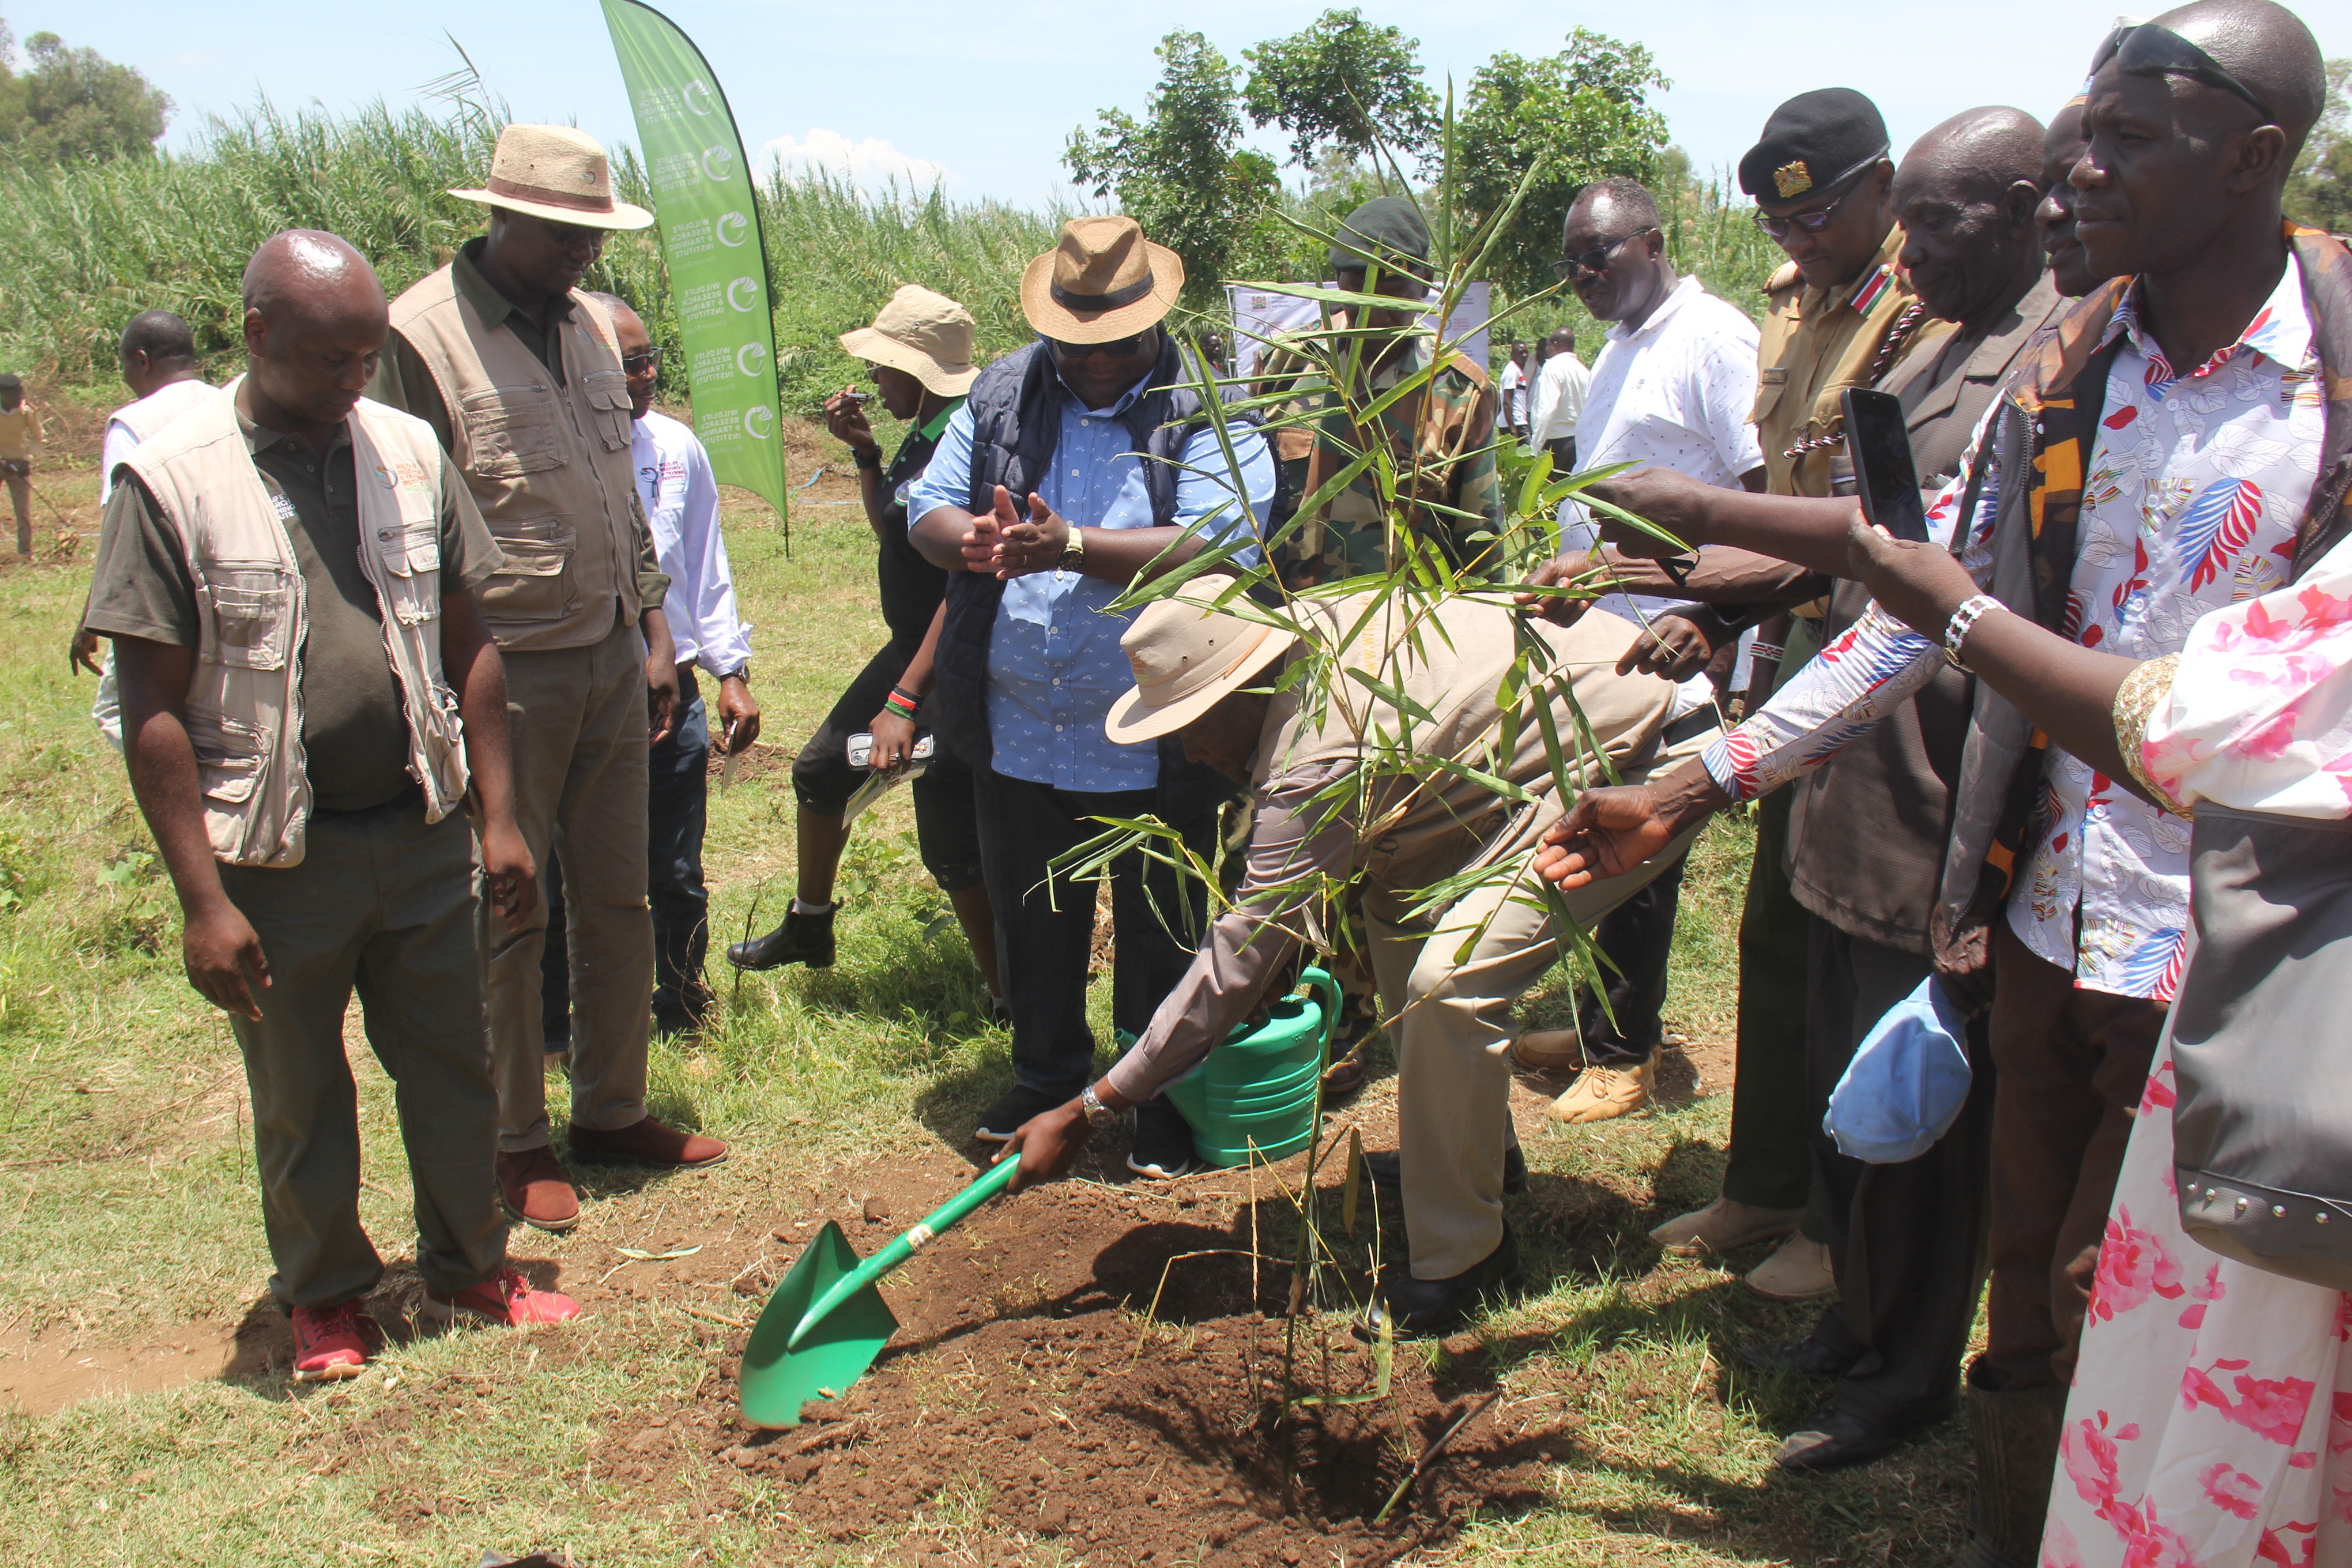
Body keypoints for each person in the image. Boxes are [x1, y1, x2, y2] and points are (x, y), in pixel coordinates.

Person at [1539, 4, 2330, 1553]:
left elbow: (2105, 682)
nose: (2074, 177)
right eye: (2073, 138)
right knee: (2031, 1307)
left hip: (2244, 970)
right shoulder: (2071, 369)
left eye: (2123, 143)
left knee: (2167, 1332)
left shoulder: (2331, 398)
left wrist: (1922, 602)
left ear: (2249, 161)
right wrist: (1701, 781)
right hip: (2042, 927)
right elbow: (1902, 603)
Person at [87, 230, 583, 1382]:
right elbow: (150, 702)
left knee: (454, 1063)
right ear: (258, 334)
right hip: (273, 853)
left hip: (415, 827)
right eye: (328, 358)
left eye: (368, 356)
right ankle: (325, 1298)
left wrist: (497, 816)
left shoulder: (406, 449)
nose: (355, 379)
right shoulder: (170, 476)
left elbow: (471, 641)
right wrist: (202, 900)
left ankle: (470, 1266)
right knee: (302, 1088)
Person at [996, 575, 1718, 1330]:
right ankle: (1474, 1165)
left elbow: (1239, 956)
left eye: (1191, 722)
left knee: (1452, 979)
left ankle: (1464, 1260)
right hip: (1525, 758)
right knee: (1396, 913)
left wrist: (1095, 1102)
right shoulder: (1299, 643)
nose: (1189, 748)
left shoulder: (1319, 745)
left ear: (1247, 685)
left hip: (1644, 755)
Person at [369, 123, 722, 1235]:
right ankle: (517, 1134)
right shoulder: (418, 336)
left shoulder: (586, 328)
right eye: (566, 232)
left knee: (618, 895)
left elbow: (624, 498)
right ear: (503, 216)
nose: (584, 252)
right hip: (501, 668)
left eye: (595, 234)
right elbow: (399, 525)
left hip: (615, 652)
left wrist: (655, 636)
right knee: (509, 905)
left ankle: (613, 1107)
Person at [905, 216, 1275, 1176]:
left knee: (1162, 917)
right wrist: (970, 542)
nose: (1098, 361)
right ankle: (1045, 1072)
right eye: (1078, 344)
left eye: (1116, 342)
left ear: (1151, 320)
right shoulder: (999, 393)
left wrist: (1072, 546)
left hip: (1160, 723)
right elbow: (926, 505)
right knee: (1036, 910)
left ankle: (1155, 1096)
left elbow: (1218, 536)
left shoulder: (1209, 401)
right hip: (1022, 719)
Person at [1654, 86, 1938, 1307]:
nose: (1800, 239)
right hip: (1796, 654)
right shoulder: (1795, 312)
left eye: (1822, 213)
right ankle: (1762, 1179)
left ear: (1884, 189)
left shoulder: (1926, 316)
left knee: (1848, 945)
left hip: (1886, 664)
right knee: (1774, 929)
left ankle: (1837, 1214)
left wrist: (1688, 568)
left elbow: (1877, 532)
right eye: (1783, 226)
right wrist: (1716, 611)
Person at [1514, 174, 1768, 1126]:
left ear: (1656, 243)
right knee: (1603, 823)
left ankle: (1628, 1051)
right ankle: (1597, 1027)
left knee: (1643, 847)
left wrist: (1718, 624)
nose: (1584, 273)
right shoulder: (1623, 345)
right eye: (1572, 259)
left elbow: (1766, 498)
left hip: (1681, 639)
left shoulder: (1714, 341)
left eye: (1602, 254)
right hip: (1614, 638)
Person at [727, 285, 999, 1007]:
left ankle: (1014, 998)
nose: (875, 381)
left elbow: (963, 586)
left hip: (947, 654)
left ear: (921, 371)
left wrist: (907, 697)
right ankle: (811, 925)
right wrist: (867, 454)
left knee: (951, 837)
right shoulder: (924, 432)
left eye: (885, 367)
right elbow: (894, 527)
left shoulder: (964, 441)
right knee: (824, 775)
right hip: (911, 645)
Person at [540, 295, 759, 1042]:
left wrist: (730, 669)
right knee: (566, 872)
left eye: (648, 356)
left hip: (675, 689)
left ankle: (683, 1002)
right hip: (584, 688)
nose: (648, 374)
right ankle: (566, 1020)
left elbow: (704, 564)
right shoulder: (556, 451)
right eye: (628, 363)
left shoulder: (675, 447)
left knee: (672, 864)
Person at [1262, 196, 1501, 586]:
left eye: (1391, 299)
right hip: (1291, 618)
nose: (1373, 316)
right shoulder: (1288, 364)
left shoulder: (1459, 390)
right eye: (1358, 296)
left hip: (1406, 627)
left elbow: (1481, 540)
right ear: (1338, 286)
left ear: (1423, 288)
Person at [74, 311, 223, 744]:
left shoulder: (134, 423)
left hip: (162, 589)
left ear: (140, 360)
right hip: (234, 576)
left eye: (123, 364)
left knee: (118, 711)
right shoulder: (232, 402)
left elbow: (121, 530)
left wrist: (92, 618)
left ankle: (188, 790)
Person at [1527, 325, 1588, 470]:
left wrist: (1535, 447)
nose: (1546, 349)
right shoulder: (1583, 370)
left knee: (1550, 491)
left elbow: (1547, 409)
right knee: (1570, 490)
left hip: (1555, 443)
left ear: (1554, 345)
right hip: (1578, 441)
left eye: (1548, 344)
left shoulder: (1552, 367)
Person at [0, 372, 38, 561]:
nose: (20, 397)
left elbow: (39, 438)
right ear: (3, 395)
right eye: (16, 394)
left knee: (23, 511)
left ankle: (25, 552)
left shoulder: (28, 412)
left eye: (21, 392)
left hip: (19, 465)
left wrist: (27, 459)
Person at [1499, 340, 1531, 444]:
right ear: (1513, 354)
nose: (1524, 355)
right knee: (1529, 456)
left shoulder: (1518, 370)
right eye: (1521, 352)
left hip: (1519, 422)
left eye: (1526, 352)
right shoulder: (1512, 371)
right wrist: (1513, 429)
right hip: (1515, 424)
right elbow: (1507, 401)